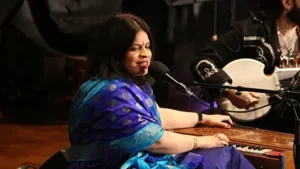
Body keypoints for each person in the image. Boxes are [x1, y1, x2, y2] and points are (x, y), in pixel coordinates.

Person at [66, 13, 255, 169]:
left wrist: (203, 119)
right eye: (135, 48)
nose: (145, 54)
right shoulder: (111, 93)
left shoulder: (119, 85)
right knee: (222, 156)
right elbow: (155, 141)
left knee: (221, 154)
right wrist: (202, 141)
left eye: (147, 47)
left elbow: (156, 116)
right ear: (116, 53)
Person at [190, 0, 300, 133]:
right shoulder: (248, 31)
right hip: (256, 129)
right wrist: (227, 90)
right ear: (287, 3)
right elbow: (201, 62)